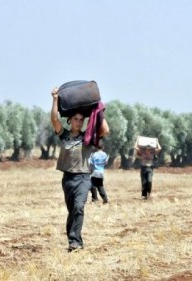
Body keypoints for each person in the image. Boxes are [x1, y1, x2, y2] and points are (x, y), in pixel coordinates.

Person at [50, 86, 109, 252]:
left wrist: (98, 108)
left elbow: (105, 130)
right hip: (67, 179)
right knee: (72, 211)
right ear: (70, 121)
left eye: (81, 120)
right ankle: (75, 240)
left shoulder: (88, 138)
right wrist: (55, 100)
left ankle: (74, 242)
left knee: (78, 207)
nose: (79, 122)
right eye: (76, 119)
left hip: (84, 178)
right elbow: (54, 120)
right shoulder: (64, 135)